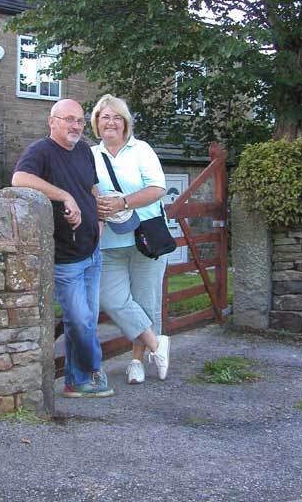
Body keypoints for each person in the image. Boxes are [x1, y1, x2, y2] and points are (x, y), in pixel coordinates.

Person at [12, 99, 114, 398]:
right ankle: (94, 371)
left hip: (92, 251)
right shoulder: (40, 151)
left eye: (80, 121)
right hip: (66, 257)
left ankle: (75, 381)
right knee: (80, 320)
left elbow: (91, 187)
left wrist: (98, 216)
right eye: (68, 119)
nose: (75, 126)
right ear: (52, 121)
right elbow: (19, 179)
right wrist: (64, 196)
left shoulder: (84, 150)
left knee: (84, 320)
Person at [90, 94, 170, 385]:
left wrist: (123, 202)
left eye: (117, 117)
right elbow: (88, 191)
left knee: (146, 303)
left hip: (145, 240)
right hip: (108, 242)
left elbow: (158, 188)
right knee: (111, 299)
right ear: (96, 122)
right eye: (104, 117)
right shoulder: (89, 154)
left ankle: (136, 362)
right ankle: (158, 345)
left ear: (125, 123)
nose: (110, 122)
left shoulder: (141, 150)